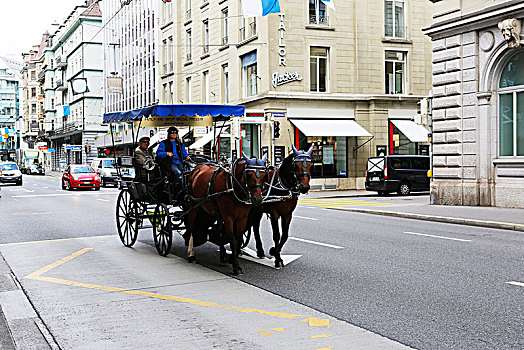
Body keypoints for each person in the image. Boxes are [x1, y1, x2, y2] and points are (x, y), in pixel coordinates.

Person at [156, 127, 191, 193]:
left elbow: (184, 153)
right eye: (172, 132)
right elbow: (158, 154)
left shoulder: (180, 144)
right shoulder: (163, 143)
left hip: (180, 162)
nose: (174, 134)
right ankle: (179, 190)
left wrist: (187, 157)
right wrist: (166, 153)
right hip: (169, 163)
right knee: (179, 174)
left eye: (175, 133)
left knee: (187, 174)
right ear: (169, 134)